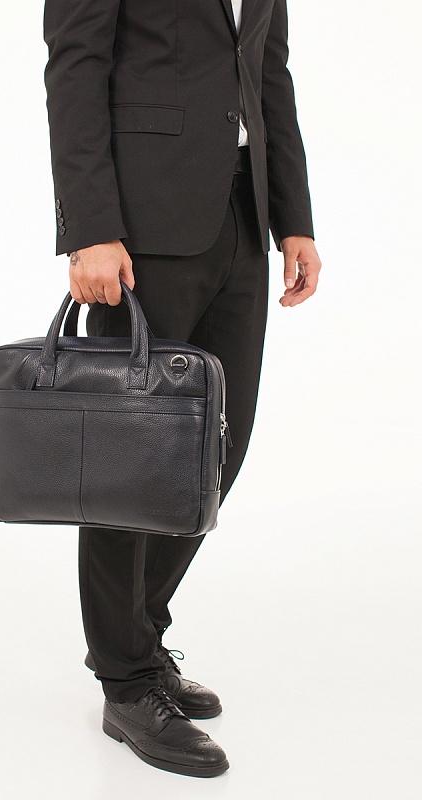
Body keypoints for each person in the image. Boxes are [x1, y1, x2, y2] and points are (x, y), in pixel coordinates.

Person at [42, 0, 322, 778]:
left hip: (242, 215)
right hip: (141, 225)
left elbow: (268, 70)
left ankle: (138, 633)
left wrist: (294, 217)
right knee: (128, 462)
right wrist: (88, 228)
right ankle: (126, 679)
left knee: (215, 451)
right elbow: (75, 68)